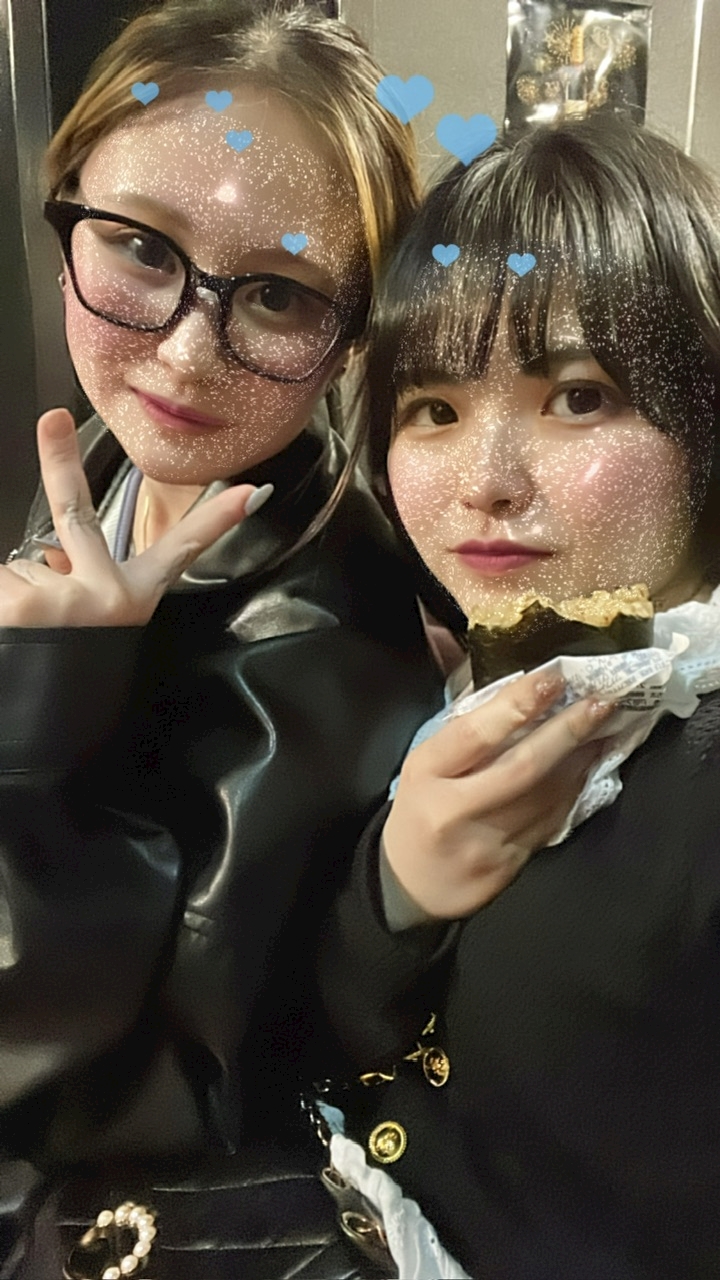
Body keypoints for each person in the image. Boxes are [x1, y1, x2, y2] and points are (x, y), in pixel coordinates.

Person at [0, 1, 443, 1274]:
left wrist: (34, 738)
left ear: (351, 333)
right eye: (142, 247)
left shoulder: (328, 635)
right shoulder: (105, 464)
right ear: (69, 205)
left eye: (278, 294)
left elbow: (151, 1098)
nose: (188, 355)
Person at [315, 116, 720, 1279]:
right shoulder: (455, 665)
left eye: (580, 395)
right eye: (434, 409)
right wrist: (396, 889)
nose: (485, 481)